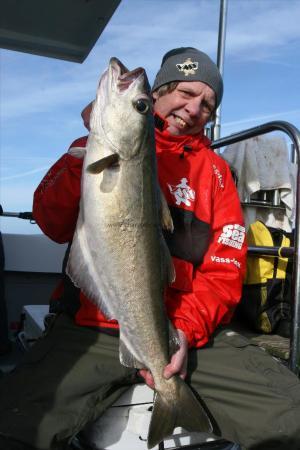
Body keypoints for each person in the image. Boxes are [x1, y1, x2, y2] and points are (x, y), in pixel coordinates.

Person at [0, 47, 300, 450]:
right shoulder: (90, 149)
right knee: (14, 423)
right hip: (91, 326)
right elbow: (52, 222)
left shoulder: (216, 175)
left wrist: (184, 330)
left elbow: (223, 272)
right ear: (159, 93)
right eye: (185, 93)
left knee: (290, 412)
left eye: (207, 104)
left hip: (182, 330)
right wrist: (85, 153)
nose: (194, 109)